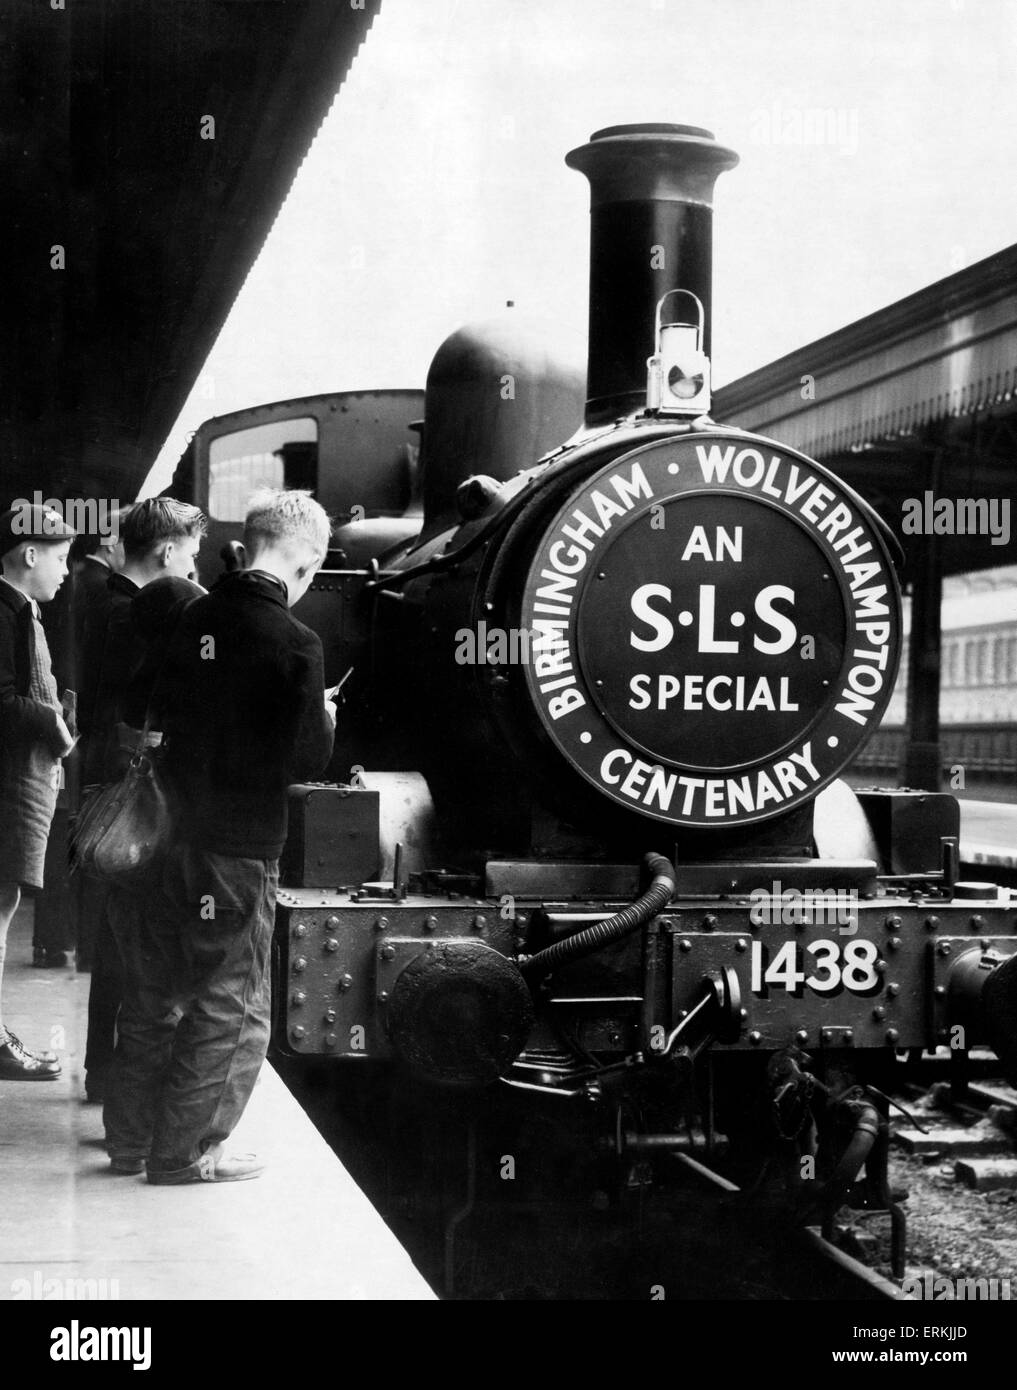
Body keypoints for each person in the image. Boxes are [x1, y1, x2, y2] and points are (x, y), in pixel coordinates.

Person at [103, 489, 336, 1182]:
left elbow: (137, 704)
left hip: (165, 837)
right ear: (308, 562)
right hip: (239, 850)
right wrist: (322, 717)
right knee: (229, 999)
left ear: (249, 540)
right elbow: (305, 762)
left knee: (153, 990)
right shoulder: (297, 642)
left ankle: (131, 1142)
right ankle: (188, 1151)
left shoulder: (191, 613)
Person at [78, 499, 206, 1103]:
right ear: (165, 552)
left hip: (105, 785)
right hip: (131, 793)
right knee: (134, 938)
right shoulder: (133, 615)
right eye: (191, 554)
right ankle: (119, 1077)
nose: (195, 566)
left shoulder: (100, 601)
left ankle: (104, 1069)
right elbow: (134, 715)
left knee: (114, 936)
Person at [0, 504, 77, 1079]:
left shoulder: (19, 613)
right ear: (29, 553)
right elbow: (3, 701)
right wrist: (53, 724)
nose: (66, 571)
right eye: (60, 557)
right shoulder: (3, 616)